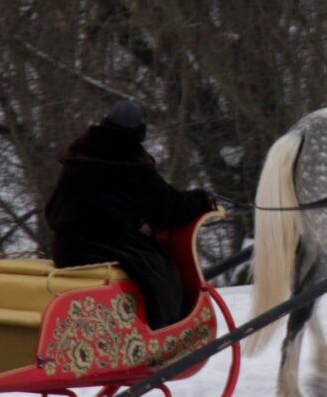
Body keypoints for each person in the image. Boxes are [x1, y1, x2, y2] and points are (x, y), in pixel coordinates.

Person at [44, 100, 214, 329]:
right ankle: (163, 329)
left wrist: (131, 220)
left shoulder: (78, 155)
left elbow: (63, 209)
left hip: (65, 249)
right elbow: (169, 207)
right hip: (101, 249)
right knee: (163, 272)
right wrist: (202, 200)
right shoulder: (129, 159)